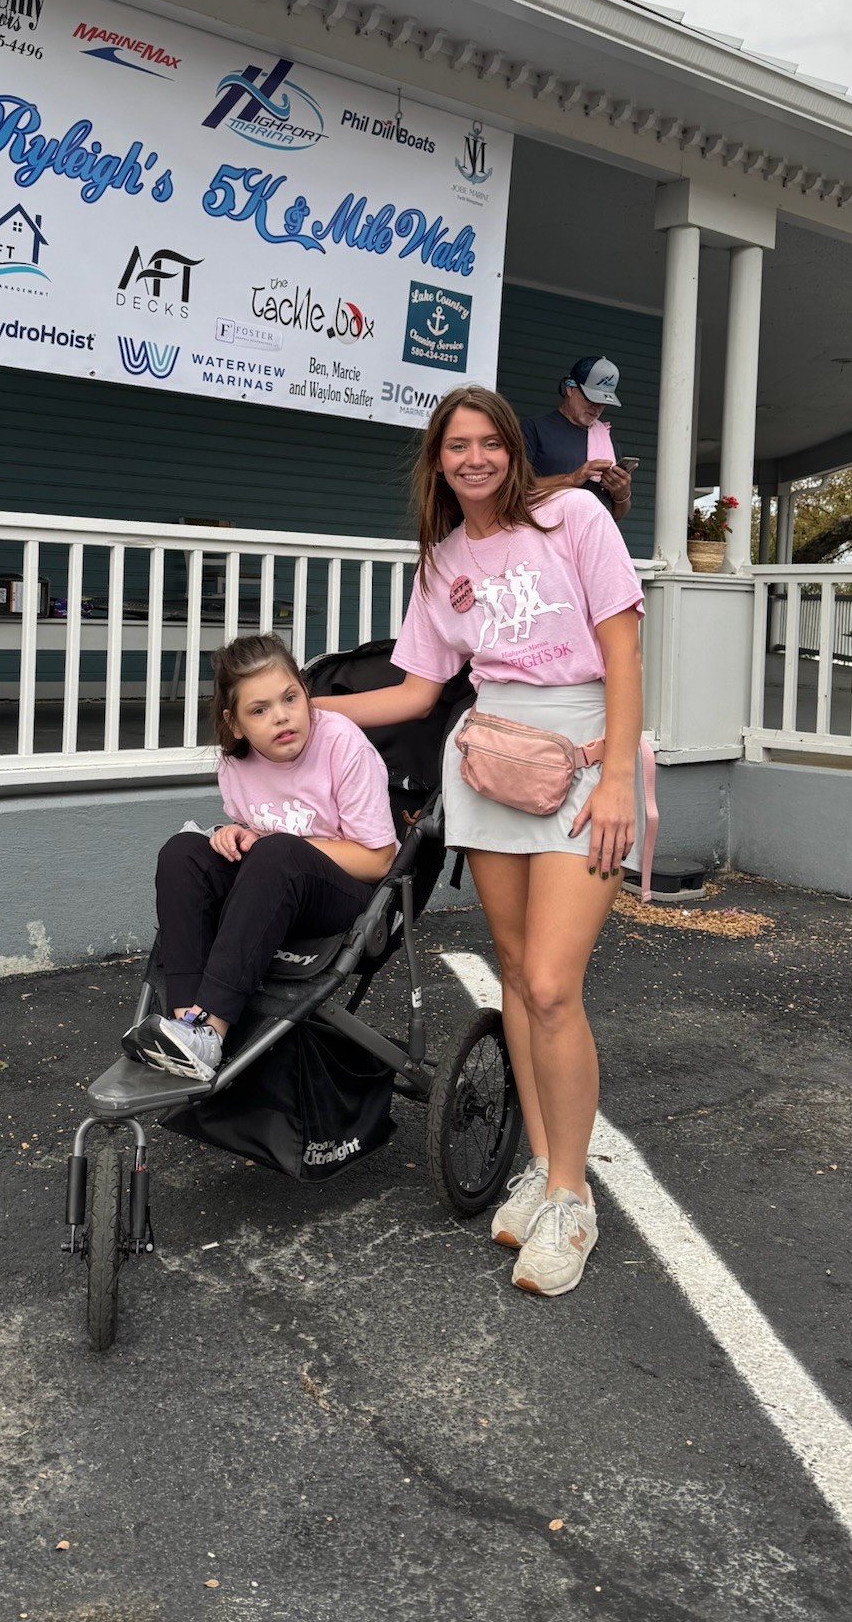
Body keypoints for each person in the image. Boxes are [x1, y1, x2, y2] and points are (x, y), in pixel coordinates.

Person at [316, 385, 644, 1297]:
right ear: (438, 461)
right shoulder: (442, 560)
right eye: (455, 445)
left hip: (582, 758)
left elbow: (623, 651)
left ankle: (573, 1200)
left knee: (550, 984)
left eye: (487, 442)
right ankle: (541, 1166)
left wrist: (620, 774)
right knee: (510, 967)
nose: (473, 458)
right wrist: (299, 707)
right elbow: (416, 694)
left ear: (511, 449)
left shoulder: (574, 515)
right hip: (490, 763)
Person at [126, 633, 397, 1081]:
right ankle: (185, 1023)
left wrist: (275, 841)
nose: (281, 717)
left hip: (342, 893)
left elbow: (379, 860)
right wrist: (235, 834)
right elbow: (257, 832)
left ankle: (211, 1030)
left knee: (277, 853)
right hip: (273, 883)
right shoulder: (236, 763)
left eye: (290, 698)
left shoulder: (342, 744)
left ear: (306, 695)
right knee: (183, 853)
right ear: (235, 725)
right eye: (259, 710)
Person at [521, 355, 634, 526]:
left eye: (603, 402)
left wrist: (622, 494)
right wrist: (572, 478)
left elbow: (616, 514)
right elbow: (515, 487)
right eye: (591, 398)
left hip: (593, 538)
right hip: (547, 536)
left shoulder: (605, 438)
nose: (596, 408)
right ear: (570, 388)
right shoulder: (533, 428)